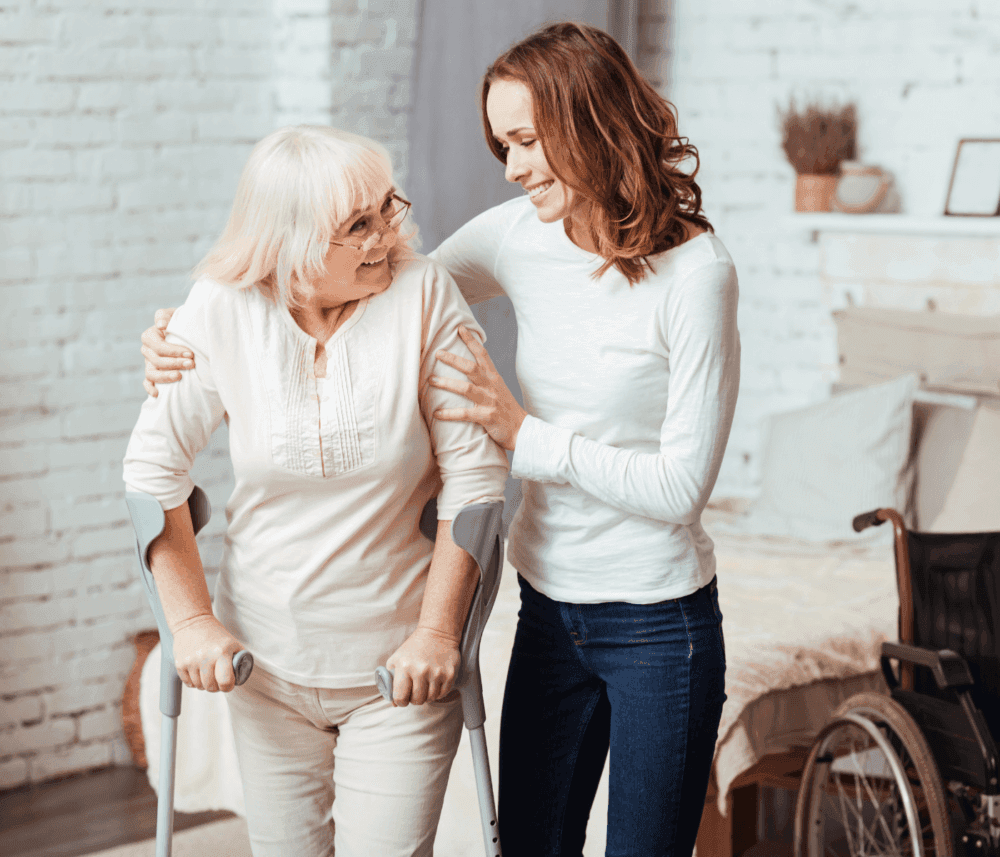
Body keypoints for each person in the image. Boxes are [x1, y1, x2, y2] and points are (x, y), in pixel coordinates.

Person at [140, 21, 739, 857]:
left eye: (528, 140)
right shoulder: (520, 234)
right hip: (549, 607)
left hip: (656, 620)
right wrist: (197, 328)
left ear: (591, 124)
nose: (513, 167)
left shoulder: (698, 276)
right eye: (503, 143)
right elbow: (391, 284)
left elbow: (680, 490)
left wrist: (523, 435)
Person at [123, 125, 508, 857]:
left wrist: (435, 635)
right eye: (357, 225)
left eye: (386, 210)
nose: (386, 237)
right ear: (291, 244)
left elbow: (477, 479)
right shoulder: (220, 309)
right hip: (264, 665)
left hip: (398, 667)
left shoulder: (425, 296)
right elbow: (152, 471)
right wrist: (192, 620)